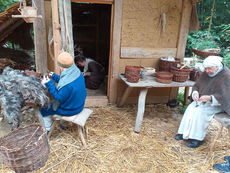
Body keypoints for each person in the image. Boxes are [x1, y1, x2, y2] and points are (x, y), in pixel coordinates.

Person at [174, 56, 230, 148]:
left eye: (209, 69)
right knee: (191, 108)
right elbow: (197, 85)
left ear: (217, 67)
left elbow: (226, 96)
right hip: (204, 99)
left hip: (218, 103)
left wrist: (210, 98)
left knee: (200, 112)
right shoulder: (207, 72)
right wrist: (195, 93)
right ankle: (183, 133)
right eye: (206, 68)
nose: (207, 71)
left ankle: (197, 139)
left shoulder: (227, 76)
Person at [41, 52, 86, 132]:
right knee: (66, 98)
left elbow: (59, 98)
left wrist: (49, 83)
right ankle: (63, 124)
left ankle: (47, 130)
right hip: (79, 105)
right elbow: (64, 81)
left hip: (71, 110)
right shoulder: (76, 72)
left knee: (44, 109)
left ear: (60, 66)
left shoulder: (67, 85)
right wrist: (54, 76)